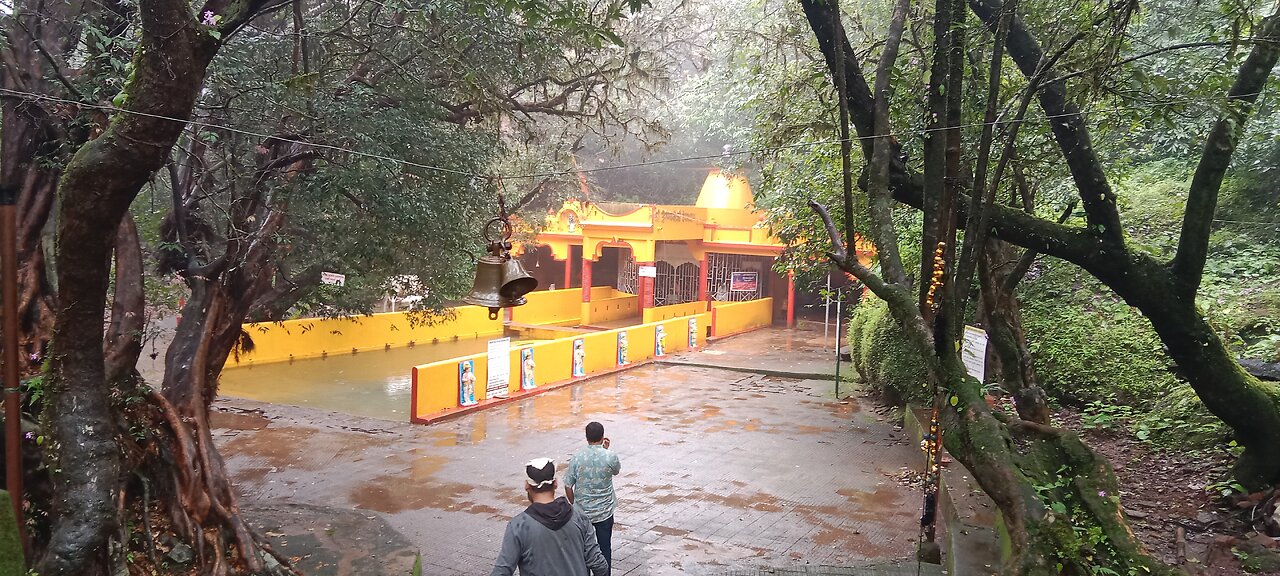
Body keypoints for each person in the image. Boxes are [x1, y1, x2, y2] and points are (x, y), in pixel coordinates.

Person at [491, 457, 608, 576]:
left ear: (527, 486)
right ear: (556, 483)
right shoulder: (579, 517)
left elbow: (502, 572)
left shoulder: (518, 526)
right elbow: (598, 564)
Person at [564, 422, 621, 568]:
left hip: (582, 512)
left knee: (583, 549)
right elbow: (616, 471)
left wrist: (573, 503)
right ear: (603, 437)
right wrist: (606, 450)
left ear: (586, 437)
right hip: (604, 512)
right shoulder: (610, 456)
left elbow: (568, 484)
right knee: (604, 548)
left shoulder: (577, 458)